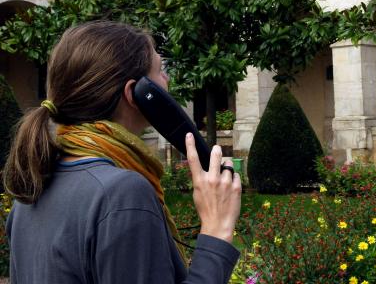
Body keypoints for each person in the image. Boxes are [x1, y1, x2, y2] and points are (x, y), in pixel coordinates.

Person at [3, 20, 241, 283]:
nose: (168, 80)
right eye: (160, 70)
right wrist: (216, 233)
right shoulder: (121, 194)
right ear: (137, 94)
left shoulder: (31, 192)